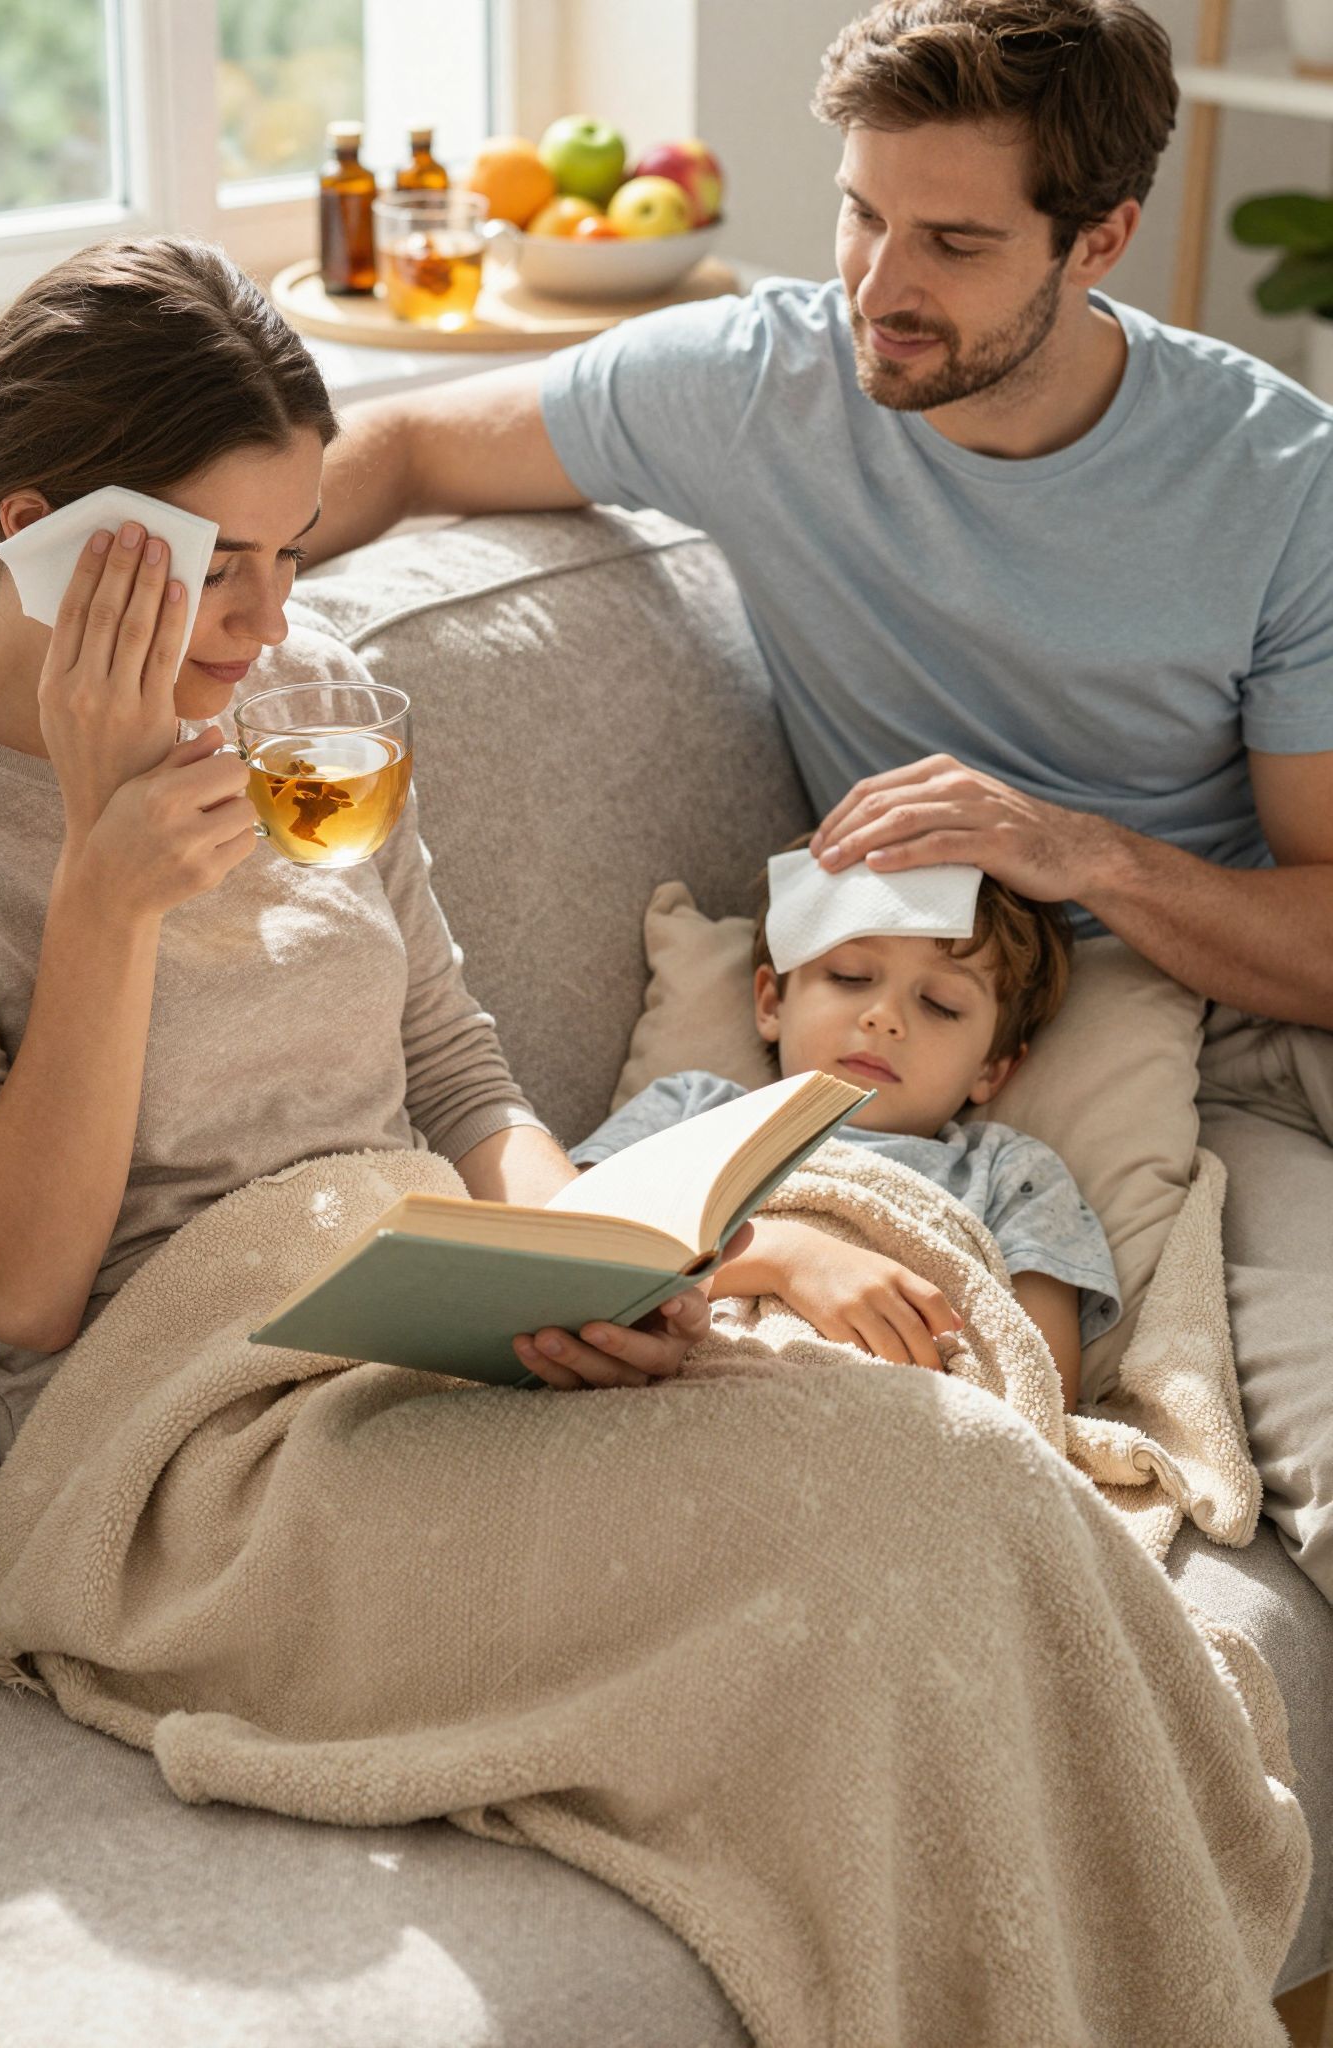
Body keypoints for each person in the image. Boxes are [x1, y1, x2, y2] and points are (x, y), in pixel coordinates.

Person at [297, 0, 1333, 1596]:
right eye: (861, 211)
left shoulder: (1277, 485)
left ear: (1103, 239)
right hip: (952, 1028)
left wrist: (1076, 852)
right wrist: (170, 602)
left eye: (956, 242)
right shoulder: (764, 379)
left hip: (1224, 1007)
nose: (879, 284)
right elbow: (413, 446)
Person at [0, 236, 738, 1473]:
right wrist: (105, 895)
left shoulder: (311, 704)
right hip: (177, 1443)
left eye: (290, 548)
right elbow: (17, 1295)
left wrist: (596, 1263)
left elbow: (453, 1074)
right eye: (217, 566)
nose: (272, 619)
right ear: (38, 534)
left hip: (431, 1360)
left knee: (901, 1464)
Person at [573, 858, 1116, 1409]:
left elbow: (1038, 1388)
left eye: (940, 1005)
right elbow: (567, 1247)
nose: (884, 1017)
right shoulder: (694, 1108)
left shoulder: (1013, 1173)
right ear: (771, 1002)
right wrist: (786, 1259)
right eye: (850, 976)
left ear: (992, 1068)